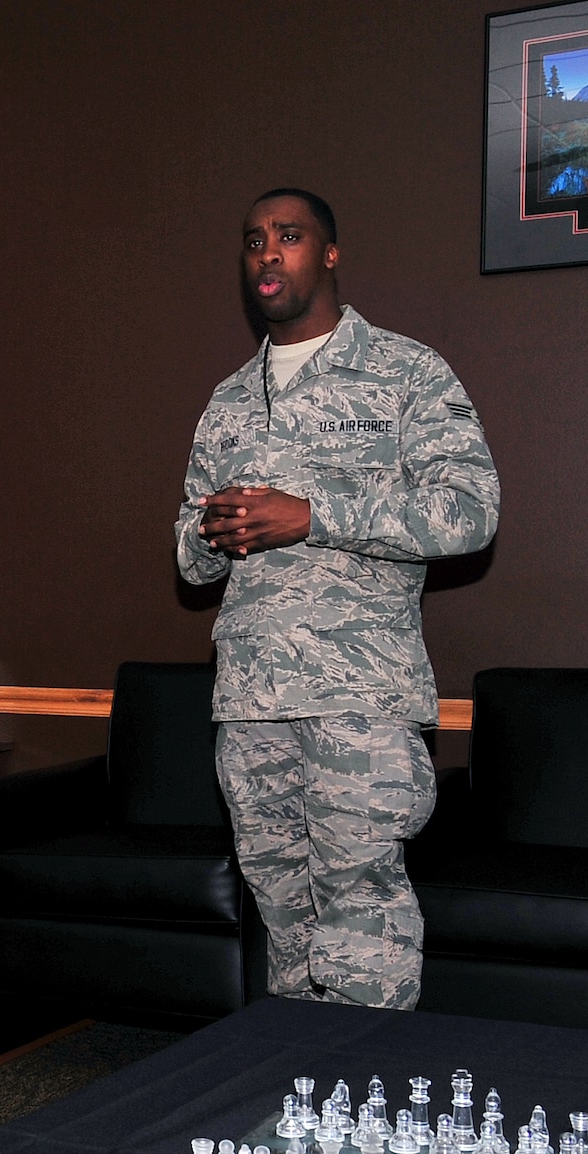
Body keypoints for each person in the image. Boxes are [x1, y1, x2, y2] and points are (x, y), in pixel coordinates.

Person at [174, 188, 500, 1011]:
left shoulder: (405, 373)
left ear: (328, 254)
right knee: (283, 914)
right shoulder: (229, 399)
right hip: (252, 700)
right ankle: (299, 1096)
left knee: (362, 911)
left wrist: (313, 516)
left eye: (289, 237)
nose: (268, 255)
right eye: (253, 241)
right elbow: (188, 562)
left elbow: (470, 512)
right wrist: (215, 532)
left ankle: (370, 1094)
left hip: (360, 693)